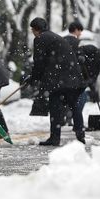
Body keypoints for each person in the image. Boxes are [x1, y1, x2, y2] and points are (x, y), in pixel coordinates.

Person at [28, 17, 86, 146]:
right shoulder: (55, 37)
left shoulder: (40, 38)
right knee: (74, 106)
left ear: (35, 29)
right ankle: (80, 135)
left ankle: (55, 138)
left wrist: (33, 78)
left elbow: (39, 62)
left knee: (55, 108)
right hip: (72, 77)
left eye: (32, 30)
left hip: (57, 79)